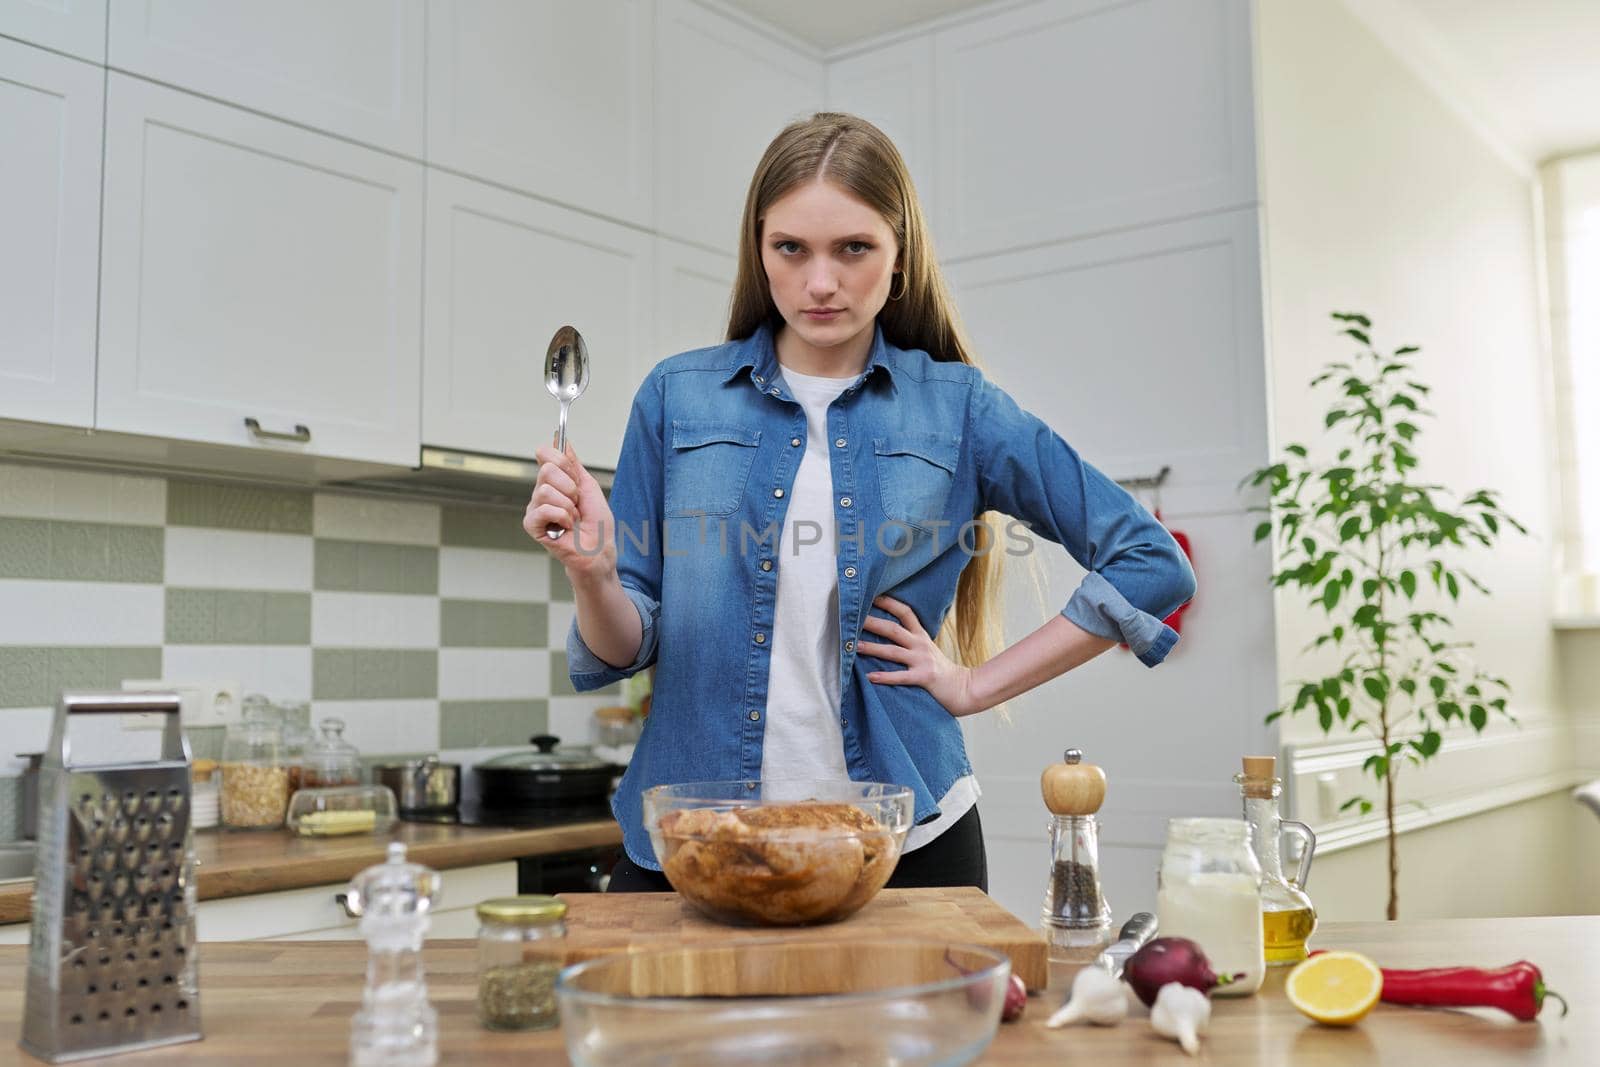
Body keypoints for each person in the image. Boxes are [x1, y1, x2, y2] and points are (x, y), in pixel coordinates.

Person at [524, 113, 1196, 893]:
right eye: (791, 248)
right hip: (692, 839)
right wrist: (595, 573)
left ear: (899, 253)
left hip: (905, 840)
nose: (820, 282)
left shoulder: (959, 408)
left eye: (854, 248)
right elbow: (623, 644)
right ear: (759, 249)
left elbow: (1151, 562)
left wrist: (974, 685)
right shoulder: (676, 396)